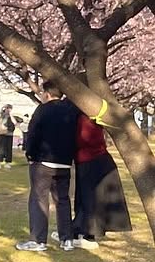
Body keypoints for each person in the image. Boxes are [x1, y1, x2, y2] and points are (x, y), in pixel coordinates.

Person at [16, 83, 79, 252]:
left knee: (39, 198)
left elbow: (33, 134)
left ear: (47, 94)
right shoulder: (71, 111)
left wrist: (30, 155)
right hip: (64, 162)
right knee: (63, 200)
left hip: (43, 161)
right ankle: (67, 239)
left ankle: (38, 240)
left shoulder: (43, 110)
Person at [72, 112, 132, 248]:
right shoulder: (89, 117)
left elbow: (84, 139)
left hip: (91, 161)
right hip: (93, 160)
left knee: (89, 199)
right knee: (87, 199)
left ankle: (88, 234)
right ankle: (79, 230)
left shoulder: (86, 119)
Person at [0, 105, 16, 169]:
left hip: (9, 134)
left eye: (9, 108)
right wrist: (3, 108)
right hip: (2, 134)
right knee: (1, 149)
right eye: (7, 108)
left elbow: (15, 123)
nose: (8, 110)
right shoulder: (2, 116)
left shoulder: (12, 117)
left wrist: (11, 115)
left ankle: (7, 163)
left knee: (8, 149)